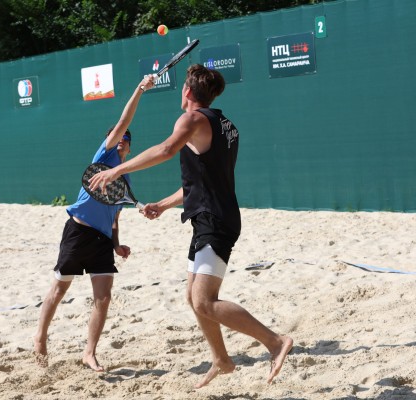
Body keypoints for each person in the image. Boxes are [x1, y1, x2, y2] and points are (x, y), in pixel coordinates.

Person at [88, 64, 293, 387]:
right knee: (192, 297)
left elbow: (166, 149)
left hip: (215, 219)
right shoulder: (226, 125)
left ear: (186, 92)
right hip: (208, 216)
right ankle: (221, 359)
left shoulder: (192, 119)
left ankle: (276, 342)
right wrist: (164, 205)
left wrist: (116, 170)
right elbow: (203, 182)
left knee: (203, 301)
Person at [33, 74, 155, 371]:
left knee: (104, 297)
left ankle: (89, 352)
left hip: (101, 240)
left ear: (130, 147)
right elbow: (124, 121)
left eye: (126, 139)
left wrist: (116, 245)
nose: (122, 139)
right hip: (78, 231)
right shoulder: (105, 154)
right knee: (59, 290)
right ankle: (40, 337)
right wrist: (140, 88)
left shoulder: (125, 177)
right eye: (118, 136)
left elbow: (114, 216)